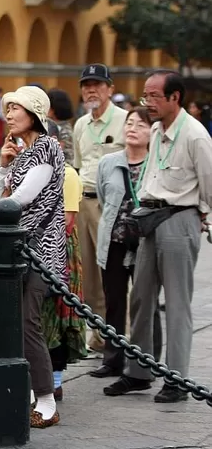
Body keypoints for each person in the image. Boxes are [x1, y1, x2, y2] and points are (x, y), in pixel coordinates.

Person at [104, 70, 212, 403]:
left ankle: (176, 380)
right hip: (148, 216)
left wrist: (204, 221)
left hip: (180, 216)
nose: (147, 103)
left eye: (153, 96)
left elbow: (209, 183)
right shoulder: (154, 129)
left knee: (177, 302)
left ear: (174, 98)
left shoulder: (195, 135)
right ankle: (139, 372)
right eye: (145, 96)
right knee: (141, 297)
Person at [0, 85, 66, 428]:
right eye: (8, 109)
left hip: (40, 251)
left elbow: (17, 201)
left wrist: (8, 189)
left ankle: (47, 399)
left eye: (16, 109)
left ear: (34, 112)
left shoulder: (46, 148)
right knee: (17, 321)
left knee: (28, 322)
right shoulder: (24, 152)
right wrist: (3, 166)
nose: (9, 115)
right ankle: (30, 389)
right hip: (18, 250)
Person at [91, 107, 163, 379]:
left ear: (152, 132)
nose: (132, 128)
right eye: (129, 123)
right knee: (114, 302)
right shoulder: (108, 163)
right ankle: (112, 359)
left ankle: (150, 360)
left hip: (145, 243)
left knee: (147, 302)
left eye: (140, 125)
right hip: (114, 241)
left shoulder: (158, 163)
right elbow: (102, 198)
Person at [71, 64, 128, 354]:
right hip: (82, 201)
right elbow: (78, 165)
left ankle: (118, 336)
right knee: (88, 274)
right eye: (86, 85)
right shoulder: (81, 124)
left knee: (112, 272)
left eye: (97, 84)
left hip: (110, 206)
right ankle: (97, 334)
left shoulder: (125, 120)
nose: (91, 90)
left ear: (110, 89)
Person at [42, 163, 87, 402]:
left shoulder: (67, 174)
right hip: (35, 248)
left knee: (57, 316)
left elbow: (67, 222)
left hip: (59, 252)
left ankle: (55, 381)